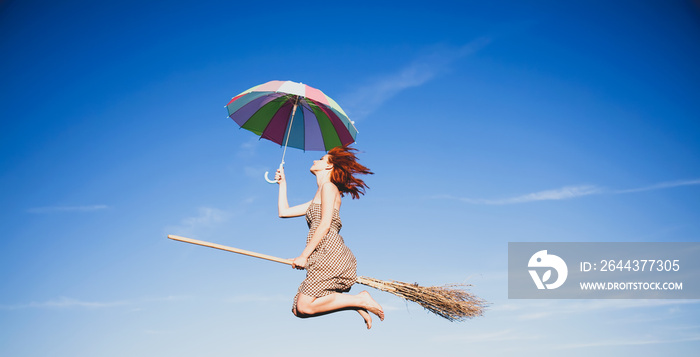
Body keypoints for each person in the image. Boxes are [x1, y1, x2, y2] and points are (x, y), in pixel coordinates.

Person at [275, 145, 384, 329]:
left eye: (321, 159)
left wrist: (304, 255)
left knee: (304, 306)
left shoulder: (328, 187)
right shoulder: (320, 194)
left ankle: (360, 299)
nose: (314, 160)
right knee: (298, 310)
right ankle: (355, 302)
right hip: (321, 254)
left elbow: (325, 224)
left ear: (328, 167)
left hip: (330, 252)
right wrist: (282, 184)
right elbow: (284, 212)